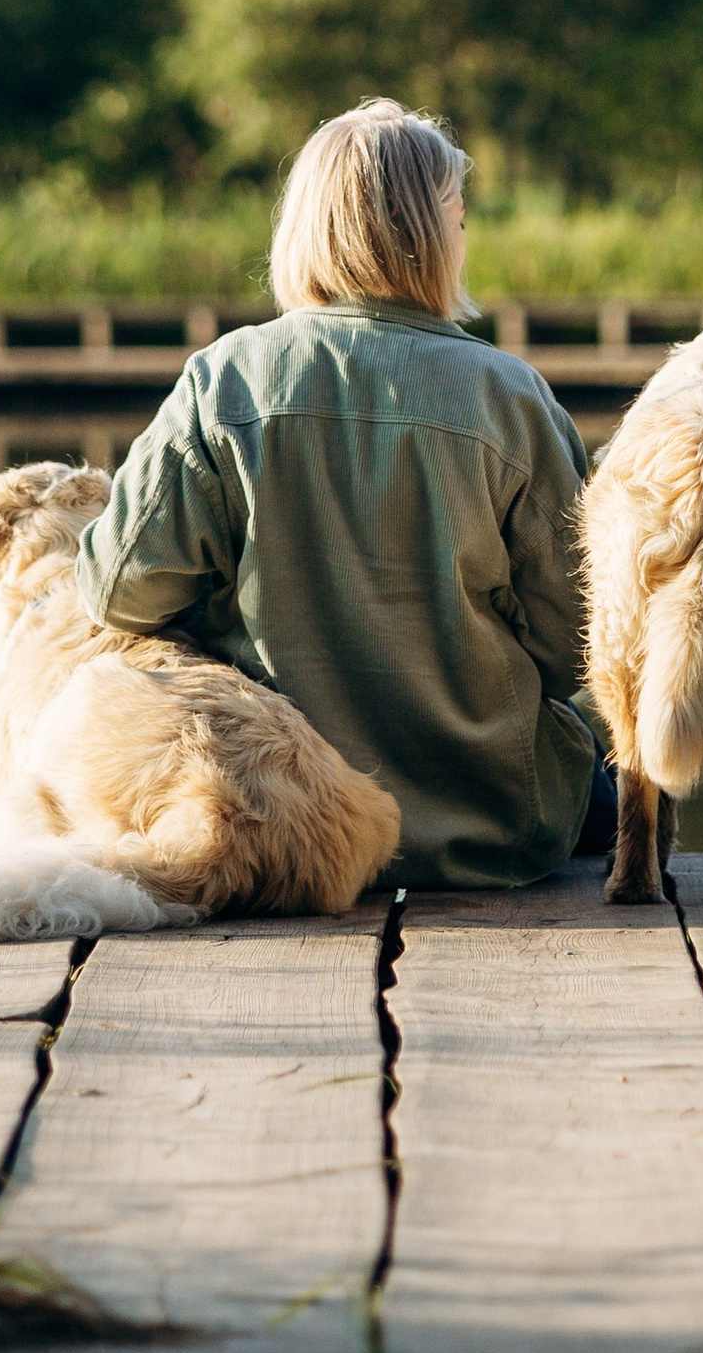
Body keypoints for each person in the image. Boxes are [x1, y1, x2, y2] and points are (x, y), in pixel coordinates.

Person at [74, 98, 615, 889]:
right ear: (433, 237)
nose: (465, 240)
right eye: (459, 221)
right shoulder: (514, 395)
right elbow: (581, 639)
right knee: (608, 778)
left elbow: (117, 591)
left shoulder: (223, 379)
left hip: (284, 822)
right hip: (495, 826)